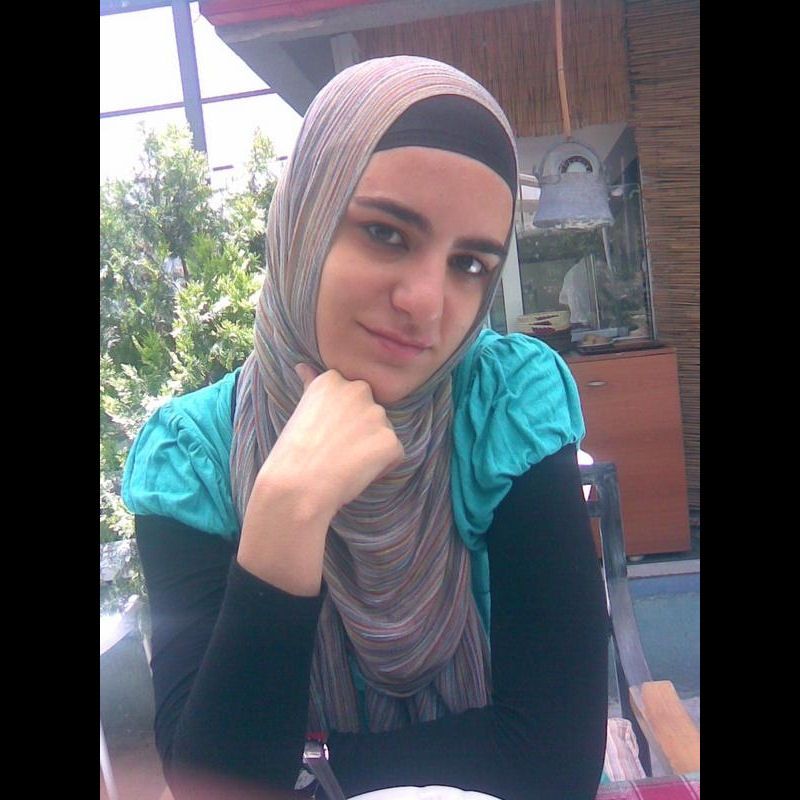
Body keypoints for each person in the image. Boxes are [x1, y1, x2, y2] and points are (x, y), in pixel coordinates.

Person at [122, 55, 609, 800]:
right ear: (305, 222)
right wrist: (289, 508)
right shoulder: (192, 458)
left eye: (469, 264)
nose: (427, 302)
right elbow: (214, 789)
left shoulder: (506, 404)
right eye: (386, 232)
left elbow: (554, 766)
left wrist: (313, 771)